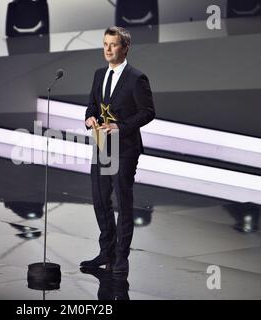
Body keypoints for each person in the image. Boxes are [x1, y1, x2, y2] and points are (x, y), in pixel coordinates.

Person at [81, 26, 155, 273]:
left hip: (124, 147)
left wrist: (121, 127)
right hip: (102, 144)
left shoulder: (137, 78)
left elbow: (148, 112)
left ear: (125, 48)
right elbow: (92, 104)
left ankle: (122, 256)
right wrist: (89, 118)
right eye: (105, 44)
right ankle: (107, 251)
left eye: (113, 44)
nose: (107, 49)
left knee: (122, 202)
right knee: (100, 200)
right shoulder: (98, 74)